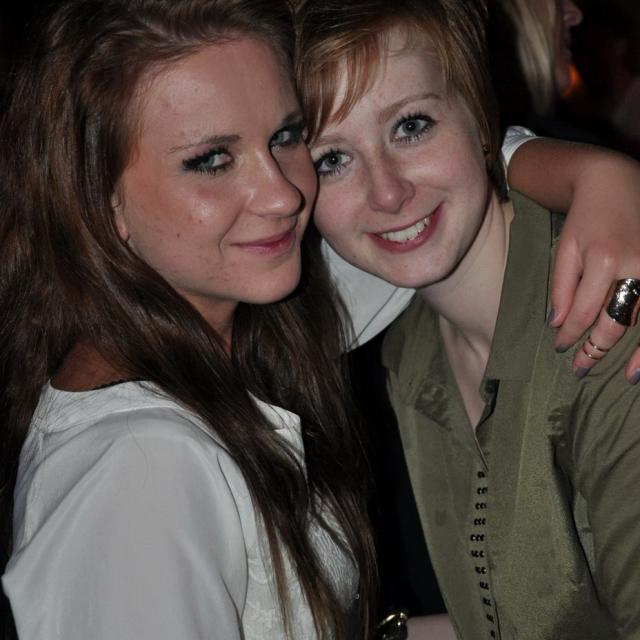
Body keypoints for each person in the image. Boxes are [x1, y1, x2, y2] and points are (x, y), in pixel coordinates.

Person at [0, 1, 376, 638]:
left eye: (286, 137)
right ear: (102, 200)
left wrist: (541, 162)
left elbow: (423, 229)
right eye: (212, 160)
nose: (283, 194)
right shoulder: (142, 469)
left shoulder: (238, 322)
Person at [295, 0, 640, 637]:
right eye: (331, 160)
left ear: (482, 118)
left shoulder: (612, 320)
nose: (388, 192)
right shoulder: (406, 348)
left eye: (412, 126)